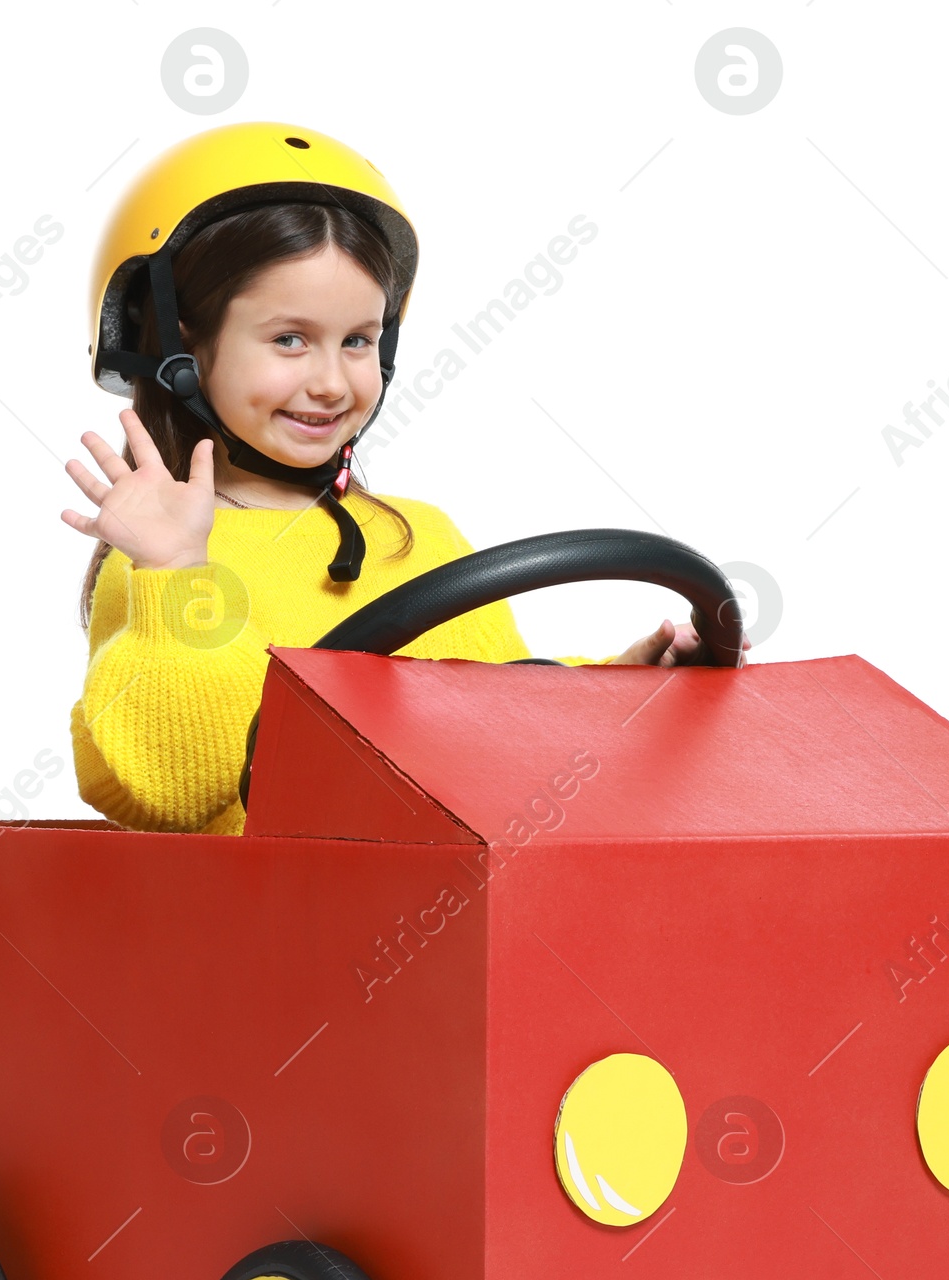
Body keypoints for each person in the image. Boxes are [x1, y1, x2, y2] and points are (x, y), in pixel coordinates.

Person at [64, 123, 743, 834]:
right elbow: (175, 791)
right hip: (276, 930)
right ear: (180, 346)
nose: (330, 382)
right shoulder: (163, 565)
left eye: (357, 340)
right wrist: (177, 571)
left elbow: (496, 717)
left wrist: (622, 682)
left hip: (444, 911)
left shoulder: (418, 536)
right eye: (289, 339)